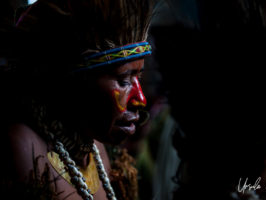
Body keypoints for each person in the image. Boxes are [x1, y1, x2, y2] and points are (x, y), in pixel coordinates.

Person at [1, 0, 153, 200]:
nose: (140, 100)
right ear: (73, 82)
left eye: (138, 77)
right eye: (123, 81)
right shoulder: (22, 146)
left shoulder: (95, 147)